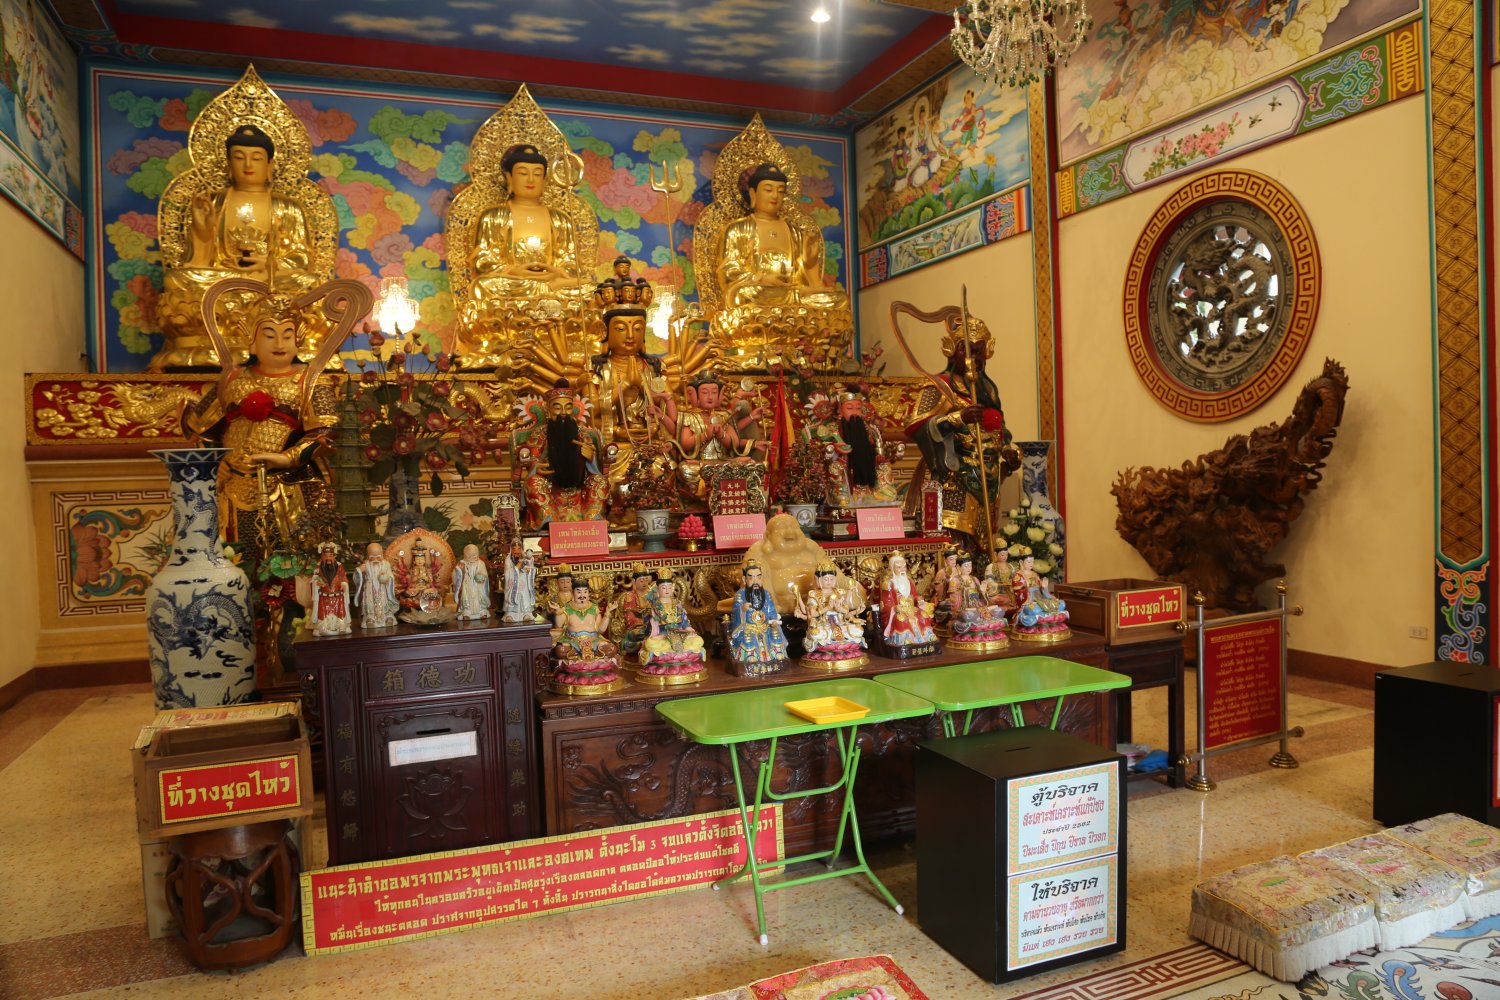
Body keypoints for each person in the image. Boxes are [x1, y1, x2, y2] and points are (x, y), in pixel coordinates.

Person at [157, 123, 320, 370]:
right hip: (224, 281)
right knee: (177, 279)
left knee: (310, 284)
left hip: (271, 283)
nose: (248, 164)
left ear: (270, 165)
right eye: (239, 157)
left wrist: (270, 264)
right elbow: (197, 262)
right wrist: (202, 232)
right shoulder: (214, 202)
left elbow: (302, 259)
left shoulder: (288, 207)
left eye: (256, 158)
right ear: (228, 163)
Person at [717, 162, 850, 315]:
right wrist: (762, 279)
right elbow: (728, 273)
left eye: (780, 191)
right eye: (768, 190)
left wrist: (810, 264)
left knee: (839, 299)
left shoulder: (795, 233)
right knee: (747, 294)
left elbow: (810, 284)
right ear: (753, 193)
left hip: (792, 294)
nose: (775, 196)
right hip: (760, 293)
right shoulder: (738, 229)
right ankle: (792, 304)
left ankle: (793, 305)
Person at [510, 382, 609, 528]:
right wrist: (537, 467)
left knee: (600, 481)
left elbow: (593, 468)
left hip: (578, 487)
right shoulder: (540, 434)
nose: (563, 412)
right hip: (550, 487)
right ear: (548, 409)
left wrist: (591, 458)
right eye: (557, 407)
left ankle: (593, 519)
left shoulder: (582, 434)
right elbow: (532, 459)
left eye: (568, 407)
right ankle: (549, 521)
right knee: (533, 483)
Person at [551, 580, 624, 692]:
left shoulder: (594, 608)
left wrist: (608, 613)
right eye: (579, 592)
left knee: (611, 649)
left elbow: (601, 629)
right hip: (572, 641)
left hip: (594, 640)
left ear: (589, 593)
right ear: (572, 592)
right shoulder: (566, 608)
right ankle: (590, 663)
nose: (582, 595)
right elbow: (559, 625)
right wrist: (557, 612)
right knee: (559, 651)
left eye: (585, 592)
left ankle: (579, 663)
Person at [726, 559, 790, 676]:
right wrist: (742, 610)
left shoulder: (766, 594)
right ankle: (750, 655)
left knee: (775, 633)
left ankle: (776, 653)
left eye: (758, 577)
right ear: (744, 579)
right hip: (748, 627)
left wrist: (774, 620)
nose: (755, 581)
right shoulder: (740, 595)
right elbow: (735, 613)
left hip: (766, 626)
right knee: (747, 637)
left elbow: (772, 610)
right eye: (751, 577)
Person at [796, 561, 867, 664]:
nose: (829, 582)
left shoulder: (839, 592)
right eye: (826, 579)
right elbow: (813, 614)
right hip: (823, 624)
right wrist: (828, 607)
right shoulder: (814, 594)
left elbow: (845, 612)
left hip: (840, 623)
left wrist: (851, 610)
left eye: (831, 579)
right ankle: (838, 649)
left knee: (858, 630)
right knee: (817, 634)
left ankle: (836, 649)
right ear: (819, 579)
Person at [639, 571, 706, 676]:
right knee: (650, 644)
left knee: (698, 641)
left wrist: (689, 629)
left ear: (673, 588)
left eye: (669, 587)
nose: (667, 590)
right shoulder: (653, 607)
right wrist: (659, 634)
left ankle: (675, 658)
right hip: (662, 639)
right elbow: (648, 629)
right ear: (658, 589)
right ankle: (678, 660)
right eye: (664, 588)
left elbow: (684, 623)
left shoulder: (677, 605)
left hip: (680, 637)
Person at [880, 552, 938, 653]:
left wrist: (919, 599)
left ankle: (927, 636)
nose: (902, 570)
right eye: (899, 567)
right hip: (898, 611)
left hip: (911, 609)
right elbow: (886, 602)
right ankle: (904, 639)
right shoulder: (888, 584)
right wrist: (894, 607)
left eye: (904, 567)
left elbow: (914, 595)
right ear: (892, 568)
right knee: (901, 619)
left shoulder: (909, 581)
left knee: (923, 616)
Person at [1010, 553, 1071, 638]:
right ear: (1021, 562)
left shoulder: (1035, 574)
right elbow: (1017, 592)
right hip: (1029, 601)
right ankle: (1043, 622)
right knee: (1034, 610)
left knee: (1062, 604)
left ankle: (1047, 620)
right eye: (1029, 562)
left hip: (1041, 599)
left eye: (1032, 562)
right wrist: (1025, 587)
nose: (1031, 564)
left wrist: (1044, 587)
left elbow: (1042, 591)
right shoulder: (1018, 576)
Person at [308, 542, 351, 636]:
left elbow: (343, 577)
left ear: (334, 556)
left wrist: (344, 584)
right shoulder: (318, 567)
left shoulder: (339, 566)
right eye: (326, 556)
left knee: (340, 610)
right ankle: (322, 626)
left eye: (330, 555)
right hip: (324, 596)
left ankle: (341, 624)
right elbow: (314, 578)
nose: (328, 558)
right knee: (323, 611)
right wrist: (317, 583)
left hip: (338, 595)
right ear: (322, 556)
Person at [353, 541, 398, 629]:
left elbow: (391, 576)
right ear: (368, 555)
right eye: (372, 557)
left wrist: (387, 578)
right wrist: (359, 570)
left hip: (383, 587)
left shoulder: (386, 564)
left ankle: (387, 616)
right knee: (370, 602)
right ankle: (370, 618)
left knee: (385, 601)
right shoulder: (366, 564)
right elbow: (357, 575)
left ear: (382, 554)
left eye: (378, 556)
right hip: (370, 588)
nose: (375, 559)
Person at [614, 563, 655, 656]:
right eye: (641, 581)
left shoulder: (653, 594)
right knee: (637, 634)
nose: (644, 583)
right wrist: (641, 623)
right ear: (634, 581)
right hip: (638, 627)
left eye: (646, 580)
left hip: (653, 624)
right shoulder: (630, 596)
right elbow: (630, 617)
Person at [453, 543, 491, 621]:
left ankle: (482, 611)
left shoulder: (481, 563)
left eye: (474, 555)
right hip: (467, 585)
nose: (473, 557)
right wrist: (459, 570)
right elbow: (456, 573)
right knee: (465, 597)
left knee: (480, 597)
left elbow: (484, 575)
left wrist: (481, 576)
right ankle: (466, 611)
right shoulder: (462, 563)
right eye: (470, 555)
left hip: (478, 586)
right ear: (466, 555)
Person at [502, 545, 538, 623]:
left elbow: (532, 568)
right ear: (511, 550)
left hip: (523, 582)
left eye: (519, 549)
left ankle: (526, 614)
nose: (517, 551)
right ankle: (510, 614)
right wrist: (516, 568)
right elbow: (507, 573)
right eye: (514, 549)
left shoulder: (525, 558)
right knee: (512, 599)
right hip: (513, 583)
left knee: (525, 597)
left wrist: (530, 571)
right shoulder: (508, 560)